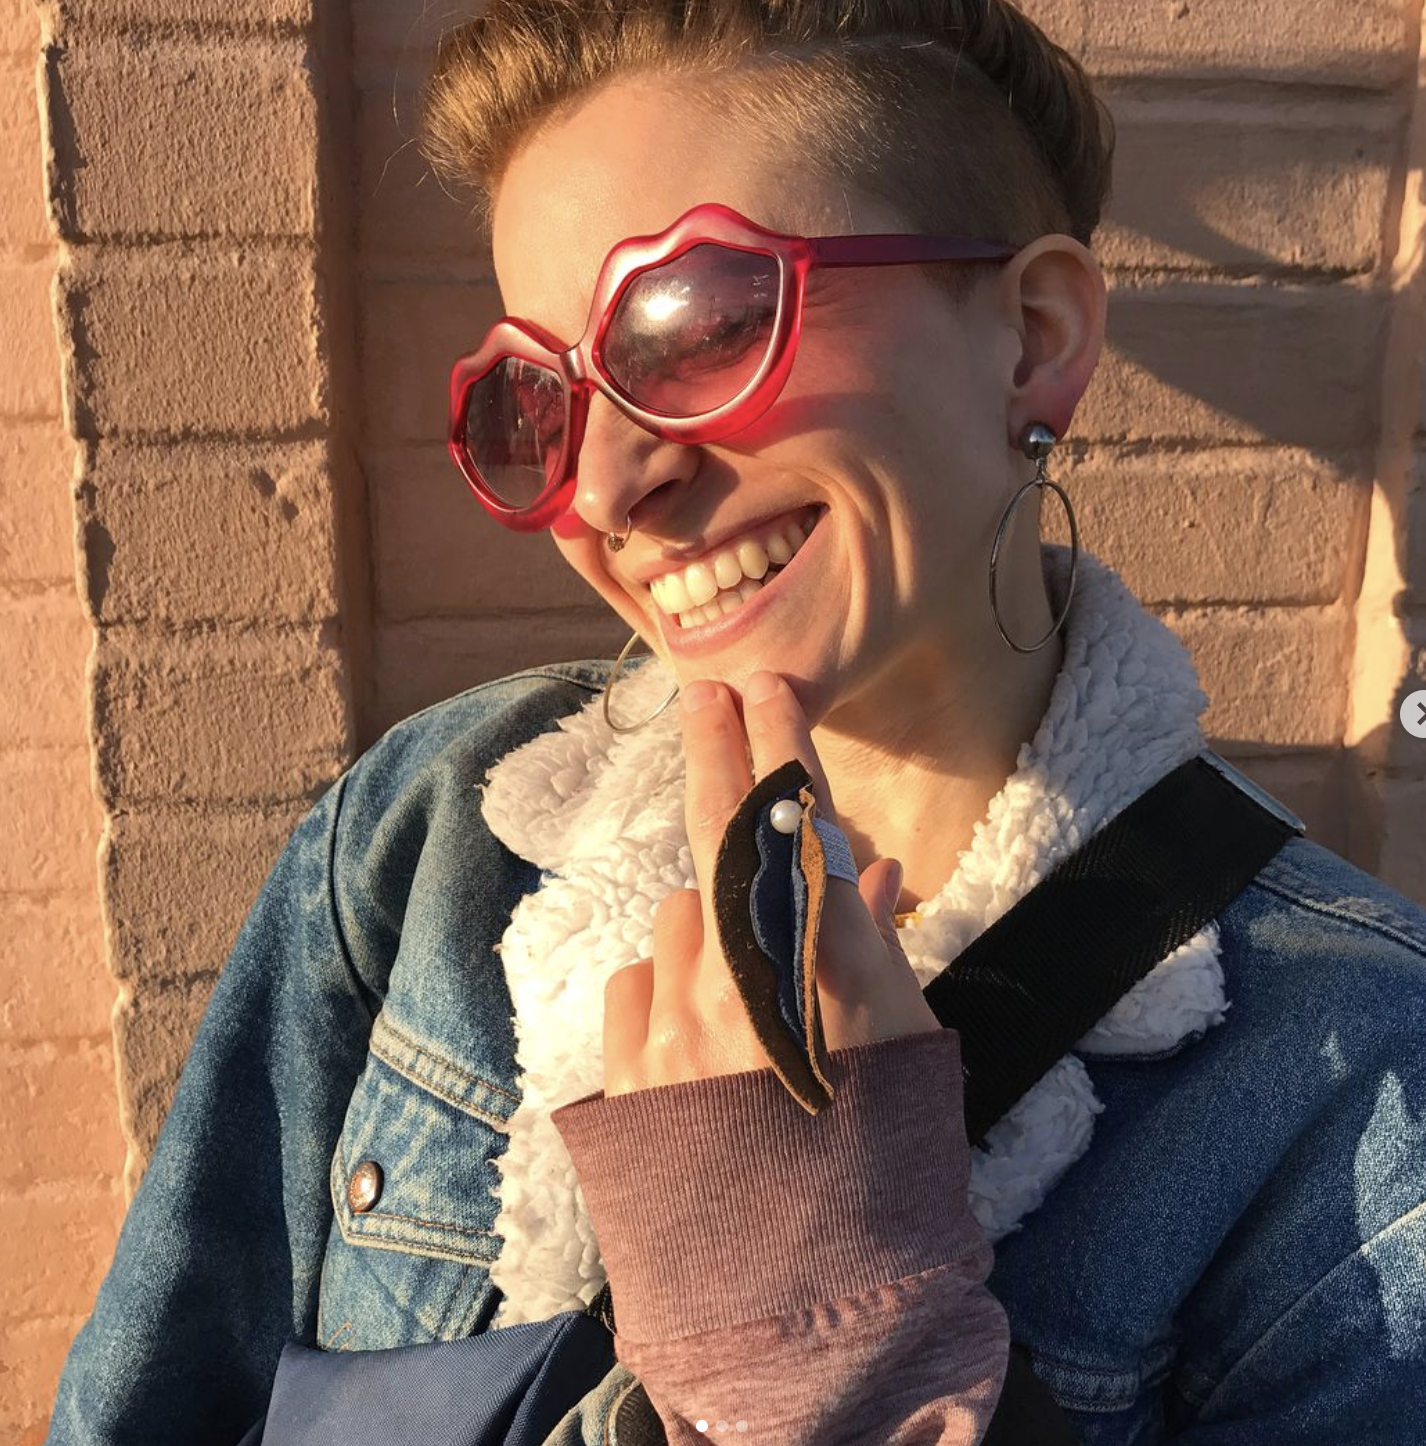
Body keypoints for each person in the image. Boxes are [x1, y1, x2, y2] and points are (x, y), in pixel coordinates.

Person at [43, 0, 1426, 1441]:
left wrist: (835, 1348)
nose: (602, 488)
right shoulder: (424, 837)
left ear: (1031, 339)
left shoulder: (1356, 1085)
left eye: (694, 322)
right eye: (534, 402)